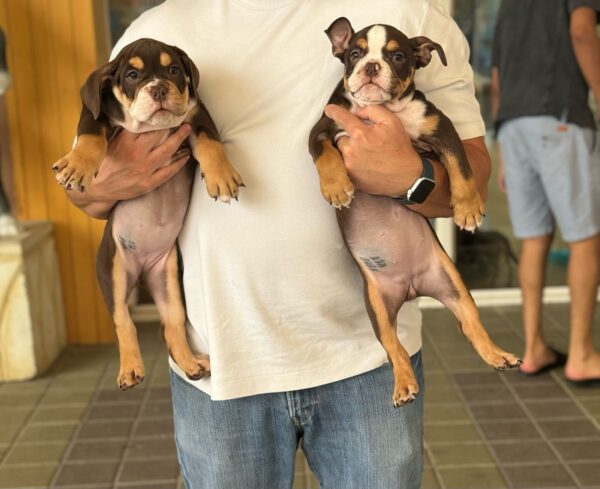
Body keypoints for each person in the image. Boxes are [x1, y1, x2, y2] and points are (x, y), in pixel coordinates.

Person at [68, 1, 489, 487]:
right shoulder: (159, 28)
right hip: (222, 361)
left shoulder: (407, 15)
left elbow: (473, 171)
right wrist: (105, 185)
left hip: (366, 358)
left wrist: (410, 179)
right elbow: (85, 193)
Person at [491, 0, 600, 383]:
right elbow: (582, 31)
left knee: (534, 238)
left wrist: (503, 147)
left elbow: (498, 72)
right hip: (560, 118)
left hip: (513, 126)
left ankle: (534, 347)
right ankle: (582, 355)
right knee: (585, 238)